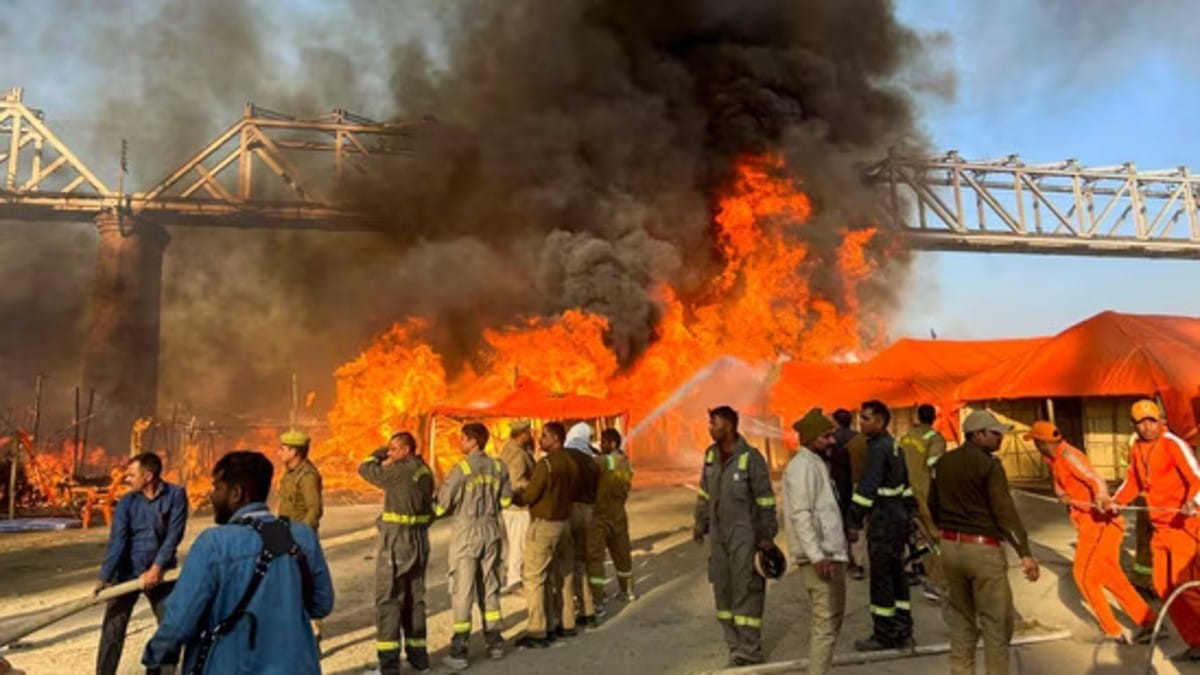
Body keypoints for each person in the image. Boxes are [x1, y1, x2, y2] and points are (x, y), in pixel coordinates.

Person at [142, 450, 334, 674]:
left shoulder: (214, 544)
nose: (212, 496)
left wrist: (154, 656)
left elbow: (179, 622)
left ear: (236, 493)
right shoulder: (301, 536)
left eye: (217, 487)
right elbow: (321, 604)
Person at [930, 409, 1038, 675]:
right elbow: (1004, 512)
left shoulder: (943, 463)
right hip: (982, 551)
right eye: (995, 433)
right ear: (978, 435)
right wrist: (1024, 552)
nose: (1001, 438)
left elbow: (932, 505)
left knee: (962, 621)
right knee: (996, 625)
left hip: (950, 549)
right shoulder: (989, 466)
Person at [1028, 420, 1157, 643]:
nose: (1035, 446)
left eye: (1036, 442)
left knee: (1084, 576)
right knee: (1111, 576)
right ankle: (1150, 622)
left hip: (1100, 524)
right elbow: (1060, 485)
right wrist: (1063, 496)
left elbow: (1095, 478)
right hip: (1091, 525)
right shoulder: (1053, 459)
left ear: (1042, 442)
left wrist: (1100, 498)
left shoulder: (1068, 455)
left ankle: (1112, 630)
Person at [1110, 399, 1200, 662]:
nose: (1147, 426)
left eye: (1151, 420)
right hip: (1159, 530)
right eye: (1141, 422)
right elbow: (1133, 482)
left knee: (1185, 586)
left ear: (1161, 420)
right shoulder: (1137, 448)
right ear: (1134, 425)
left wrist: (1192, 501)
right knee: (1162, 585)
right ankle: (1196, 641)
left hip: (1183, 526)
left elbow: (1197, 478)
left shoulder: (1173, 443)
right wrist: (1115, 502)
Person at [693, 405, 778, 667]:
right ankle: (734, 646)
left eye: (714, 424)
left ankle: (750, 650)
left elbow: (765, 501)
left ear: (729, 426)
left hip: (745, 536)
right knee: (723, 590)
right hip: (719, 537)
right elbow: (705, 493)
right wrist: (700, 521)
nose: (710, 428)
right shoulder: (710, 456)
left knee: (747, 589)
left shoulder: (751, 458)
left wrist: (766, 536)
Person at [94, 452, 188, 675]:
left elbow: (174, 536)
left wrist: (157, 568)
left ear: (148, 476)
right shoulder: (127, 502)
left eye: (131, 475)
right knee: (112, 632)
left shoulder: (175, 495)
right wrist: (105, 578)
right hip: (126, 573)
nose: (127, 479)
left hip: (160, 572)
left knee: (170, 627)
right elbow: (118, 541)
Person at [435, 423, 512, 669]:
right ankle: (495, 642)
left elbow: (441, 506)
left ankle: (459, 651)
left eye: (463, 439)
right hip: (492, 530)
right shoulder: (500, 467)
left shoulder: (462, 469)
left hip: (467, 533)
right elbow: (507, 500)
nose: (460, 443)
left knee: (463, 589)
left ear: (473, 441)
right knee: (489, 585)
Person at [359, 432, 435, 674]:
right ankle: (418, 659)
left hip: (396, 542)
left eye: (394, 449)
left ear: (405, 450)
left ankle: (389, 665)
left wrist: (380, 451)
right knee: (415, 600)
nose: (390, 454)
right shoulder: (424, 470)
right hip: (419, 541)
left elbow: (365, 469)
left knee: (388, 599)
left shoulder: (400, 471)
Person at [783, 409, 847, 675]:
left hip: (831, 554)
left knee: (832, 621)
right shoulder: (802, 467)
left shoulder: (816, 463)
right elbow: (801, 514)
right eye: (826, 436)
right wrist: (817, 555)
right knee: (825, 624)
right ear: (810, 439)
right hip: (819, 559)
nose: (832, 441)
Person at [846, 400, 914, 651]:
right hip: (897, 521)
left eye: (865, 418)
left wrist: (854, 519)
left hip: (883, 522)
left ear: (881, 421)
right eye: (859, 417)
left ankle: (884, 634)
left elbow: (867, 488)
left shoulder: (876, 449)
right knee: (898, 576)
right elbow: (906, 486)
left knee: (881, 580)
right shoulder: (895, 446)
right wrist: (910, 515)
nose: (860, 422)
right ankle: (903, 629)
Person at [513, 422, 580, 649]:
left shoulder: (546, 464)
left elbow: (530, 495)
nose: (540, 440)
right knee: (562, 576)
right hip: (565, 525)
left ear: (555, 438)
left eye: (544, 436)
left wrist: (513, 496)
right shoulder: (572, 462)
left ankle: (538, 630)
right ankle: (566, 623)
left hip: (544, 526)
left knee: (534, 578)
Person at [895, 404, 947, 602]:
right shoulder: (934, 439)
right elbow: (935, 463)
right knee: (936, 538)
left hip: (904, 493)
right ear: (933, 418)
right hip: (925, 492)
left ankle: (919, 570)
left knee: (920, 537)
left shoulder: (906, 438)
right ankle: (937, 583)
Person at [277, 429, 325, 641]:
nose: (279, 453)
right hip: (286, 536)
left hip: (299, 540)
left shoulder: (307, 476)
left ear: (294, 451)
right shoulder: (290, 473)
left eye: (283, 449)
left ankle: (313, 635)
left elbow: (314, 509)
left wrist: (303, 538)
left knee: (305, 586)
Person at [587, 427, 636, 609]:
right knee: (622, 554)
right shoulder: (625, 461)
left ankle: (598, 598)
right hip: (619, 513)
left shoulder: (605, 461)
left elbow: (593, 465)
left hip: (600, 515)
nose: (601, 444)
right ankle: (627, 591)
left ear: (613, 443)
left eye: (604, 442)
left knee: (595, 556)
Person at [563, 422, 602, 627]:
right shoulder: (592, 460)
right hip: (588, 512)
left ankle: (568, 614)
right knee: (582, 562)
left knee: (567, 564)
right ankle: (589, 611)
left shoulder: (566, 457)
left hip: (570, 512)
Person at [498, 419, 536, 594]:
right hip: (518, 507)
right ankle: (515, 581)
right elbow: (516, 481)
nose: (531, 435)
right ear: (522, 434)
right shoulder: (518, 455)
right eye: (528, 432)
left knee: (514, 543)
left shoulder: (509, 449)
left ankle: (514, 576)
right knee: (519, 544)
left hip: (509, 507)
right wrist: (535, 485)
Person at [832, 409, 864, 579]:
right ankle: (858, 564)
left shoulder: (831, 440)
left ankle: (847, 561)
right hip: (859, 487)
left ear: (835, 422)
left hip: (839, 487)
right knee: (857, 525)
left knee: (841, 524)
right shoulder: (861, 439)